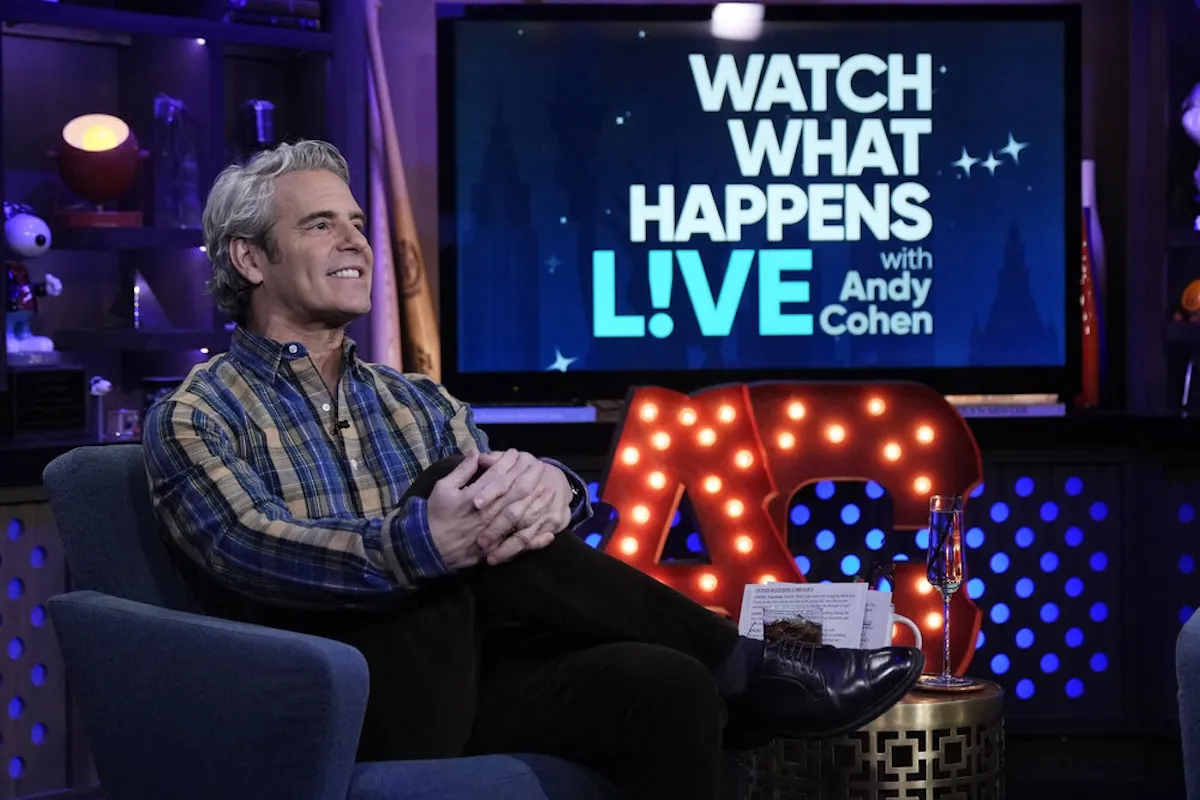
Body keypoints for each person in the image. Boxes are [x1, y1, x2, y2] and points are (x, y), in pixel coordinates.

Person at [143, 139, 923, 800]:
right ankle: (749, 661)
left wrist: (560, 488)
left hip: (479, 668)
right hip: (334, 693)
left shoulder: (416, 399)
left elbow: (510, 538)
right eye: (321, 225)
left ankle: (729, 671)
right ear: (249, 257)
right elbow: (251, 550)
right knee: (443, 493)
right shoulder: (197, 413)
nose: (355, 241)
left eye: (356, 222)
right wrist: (423, 541)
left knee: (669, 687)